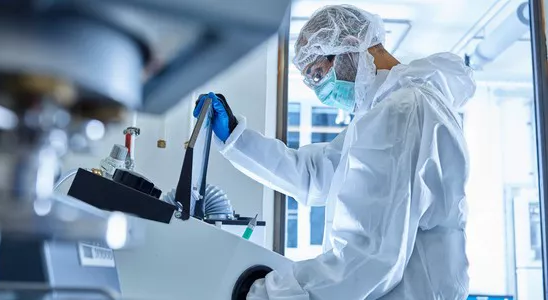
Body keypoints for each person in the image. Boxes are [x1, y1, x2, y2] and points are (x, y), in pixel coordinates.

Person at [194, 4, 475, 300]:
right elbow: (316, 175)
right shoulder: (392, 108)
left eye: (317, 74)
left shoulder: (401, 112)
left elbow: (367, 258)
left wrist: (266, 294)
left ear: (350, 46)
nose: (321, 91)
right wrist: (237, 137)